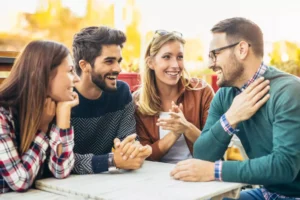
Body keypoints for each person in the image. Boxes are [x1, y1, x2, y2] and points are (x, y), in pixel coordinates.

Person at [170, 17, 300, 199]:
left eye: (215, 54)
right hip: (268, 193)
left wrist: (214, 171)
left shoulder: (288, 91)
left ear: (241, 50)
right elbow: (202, 154)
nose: (210, 63)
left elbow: (284, 166)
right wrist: (230, 118)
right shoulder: (224, 95)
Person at [0, 40, 80, 193]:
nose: (77, 79)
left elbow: (61, 170)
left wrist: (63, 117)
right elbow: (20, 181)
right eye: (70, 71)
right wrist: (42, 130)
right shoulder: (3, 117)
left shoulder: (51, 109)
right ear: (45, 75)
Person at [71, 26, 152, 174]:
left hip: (108, 184)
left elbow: (128, 138)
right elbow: (59, 161)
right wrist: (110, 161)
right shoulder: (65, 97)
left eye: (118, 61)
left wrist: (134, 150)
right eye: (109, 62)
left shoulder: (121, 93)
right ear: (85, 65)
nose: (118, 69)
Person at [134, 30, 214, 163]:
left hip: (198, 174)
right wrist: (174, 134)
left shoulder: (202, 91)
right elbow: (144, 155)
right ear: (150, 63)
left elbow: (214, 147)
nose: (175, 65)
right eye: (166, 57)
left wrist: (186, 128)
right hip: (154, 178)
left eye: (180, 57)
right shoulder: (138, 101)